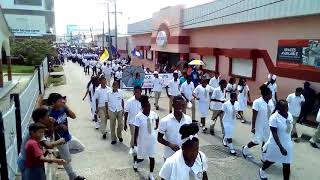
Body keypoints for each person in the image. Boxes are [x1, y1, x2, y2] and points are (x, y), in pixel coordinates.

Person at [18, 108, 66, 179]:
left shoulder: (37, 128)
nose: (49, 118)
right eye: (47, 116)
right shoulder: (36, 132)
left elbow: (49, 134)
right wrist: (61, 140)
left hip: (30, 161)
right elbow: (49, 145)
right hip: (28, 163)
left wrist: (51, 124)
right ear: (41, 119)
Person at [48, 93, 86, 180]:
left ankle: (59, 154)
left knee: (81, 148)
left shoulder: (63, 109)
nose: (62, 101)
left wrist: (66, 107)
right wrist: (59, 126)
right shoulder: (51, 114)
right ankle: (73, 177)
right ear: (53, 103)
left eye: (62, 100)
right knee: (67, 160)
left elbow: (74, 116)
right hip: (60, 140)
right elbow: (50, 131)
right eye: (59, 100)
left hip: (68, 136)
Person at [259, 100, 293, 180]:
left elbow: (290, 127)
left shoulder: (290, 115)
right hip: (276, 144)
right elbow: (274, 134)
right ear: (279, 108)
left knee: (286, 164)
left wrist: (292, 134)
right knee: (271, 160)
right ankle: (262, 170)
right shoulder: (274, 117)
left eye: (287, 107)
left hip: (287, 143)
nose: (286, 109)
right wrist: (281, 147)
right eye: (284, 107)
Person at [242, 85, 274, 161]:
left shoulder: (271, 102)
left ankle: (263, 156)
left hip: (268, 126)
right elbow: (254, 116)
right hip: (258, 125)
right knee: (256, 141)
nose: (271, 95)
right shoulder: (257, 102)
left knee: (266, 142)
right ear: (266, 95)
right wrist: (253, 127)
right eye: (270, 94)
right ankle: (245, 149)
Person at [132, 96, 159, 180]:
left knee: (152, 157)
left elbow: (157, 118)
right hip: (142, 140)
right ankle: (136, 162)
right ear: (143, 107)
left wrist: (156, 126)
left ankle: (151, 174)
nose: (149, 108)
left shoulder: (153, 114)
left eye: (149, 106)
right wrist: (135, 142)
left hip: (152, 140)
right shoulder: (138, 117)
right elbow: (136, 131)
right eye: (147, 107)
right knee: (141, 157)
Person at [158, 96, 192, 161]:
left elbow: (190, 136)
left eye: (183, 105)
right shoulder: (165, 120)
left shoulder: (188, 119)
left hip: (184, 155)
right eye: (178, 105)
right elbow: (159, 138)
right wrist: (170, 145)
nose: (181, 107)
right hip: (169, 156)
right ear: (173, 105)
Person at [124, 86, 142, 153]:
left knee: (140, 136)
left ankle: (138, 147)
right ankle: (132, 147)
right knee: (134, 135)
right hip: (132, 122)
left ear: (141, 92)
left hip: (141, 122)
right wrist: (125, 123)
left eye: (138, 91)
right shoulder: (129, 101)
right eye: (135, 91)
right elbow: (126, 112)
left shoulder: (143, 101)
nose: (137, 93)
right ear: (134, 92)